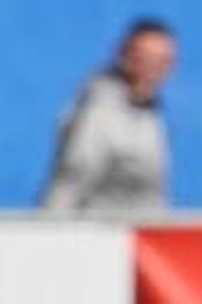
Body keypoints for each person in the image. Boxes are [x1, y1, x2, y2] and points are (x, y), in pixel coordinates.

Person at [40, 17, 177, 214]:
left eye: (163, 61)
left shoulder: (151, 114)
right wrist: (48, 234)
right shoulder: (99, 114)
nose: (153, 69)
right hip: (100, 237)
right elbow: (69, 183)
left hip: (141, 238)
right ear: (124, 56)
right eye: (145, 59)